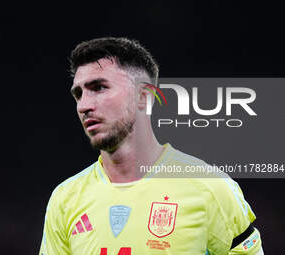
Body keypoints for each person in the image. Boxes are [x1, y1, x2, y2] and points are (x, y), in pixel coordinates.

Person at [39, 37, 263, 254]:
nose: (84, 105)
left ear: (144, 96)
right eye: (78, 94)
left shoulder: (210, 187)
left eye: (99, 87)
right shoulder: (65, 199)